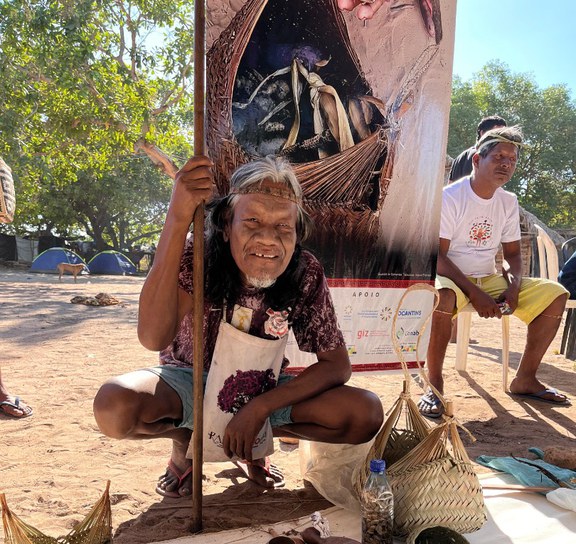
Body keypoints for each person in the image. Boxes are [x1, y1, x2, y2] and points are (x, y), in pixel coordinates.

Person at [93, 155, 383, 495]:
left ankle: (254, 443)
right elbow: (152, 336)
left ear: (297, 231)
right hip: (189, 381)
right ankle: (184, 440)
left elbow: (336, 366)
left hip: (265, 385)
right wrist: (177, 218)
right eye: (252, 221)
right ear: (227, 222)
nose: (268, 239)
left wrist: (259, 409)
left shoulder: (305, 270)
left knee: (364, 413)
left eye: (282, 227)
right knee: (115, 406)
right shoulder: (198, 256)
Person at [418, 125, 570, 419]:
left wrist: (512, 289)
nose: (506, 164)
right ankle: (434, 385)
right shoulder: (451, 197)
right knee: (444, 296)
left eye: (511, 159)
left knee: (555, 294)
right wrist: (475, 293)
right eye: (498, 156)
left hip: (488, 277)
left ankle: (525, 378)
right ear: (477, 160)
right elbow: (439, 256)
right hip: (451, 276)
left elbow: (512, 255)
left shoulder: (508, 201)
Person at [449, 115, 507, 183]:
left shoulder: (459, 158)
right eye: (497, 134)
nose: (501, 139)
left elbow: (449, 186)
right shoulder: (484, 156)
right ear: (483, 133)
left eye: (504, 135)